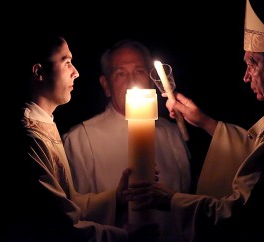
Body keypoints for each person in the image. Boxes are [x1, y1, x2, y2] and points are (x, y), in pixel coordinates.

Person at [125, 0, 264, 241]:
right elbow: (252, 149)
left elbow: (238, 213)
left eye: (252, 63)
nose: (245, 77)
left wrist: (171, 200)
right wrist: (205, 122)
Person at [3, 31, 159, 242]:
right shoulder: (28, 137)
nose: (75, 72)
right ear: (39, 71)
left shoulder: (44, 123)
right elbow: (59, 227)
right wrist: (129, 237)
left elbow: (68, 202)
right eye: (66, 62)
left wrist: (117, 198)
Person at [62, 39, 191, 242]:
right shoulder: (79, 140)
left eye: (139, 71)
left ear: (150, 79)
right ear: (106, 85)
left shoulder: (170, 132)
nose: (132, 80)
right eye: (120, 73)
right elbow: (73, 213)